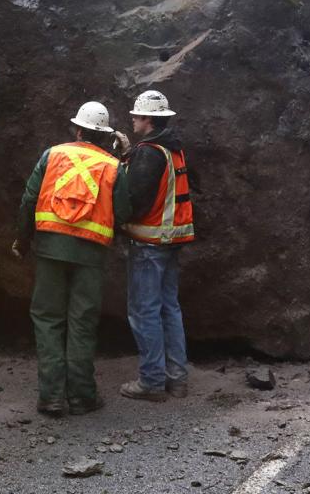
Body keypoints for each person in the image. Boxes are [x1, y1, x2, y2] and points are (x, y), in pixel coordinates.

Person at [12, 101, 124, 417]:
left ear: (77, 130)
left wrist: (23, 239)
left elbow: (29, 200)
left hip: (50, 248)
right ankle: (82, 396)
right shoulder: (113, 166)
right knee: (82, 321)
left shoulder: (52, 155)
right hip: (91, 253)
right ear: (104, 135)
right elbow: (124, 211)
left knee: (48, 318)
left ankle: (51, 397)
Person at [118, 89, 195, 402]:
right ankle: (177, 379)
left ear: (147, 119)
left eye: (136, 116)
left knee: (144, 311)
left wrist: (117, 217)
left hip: (149, 244)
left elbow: (135, 200)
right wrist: (129, 156)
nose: (133, 120)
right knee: (169, 309)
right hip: (170, 241)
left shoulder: (149, 152)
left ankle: (151, 381)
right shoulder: (172, 148)